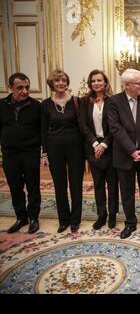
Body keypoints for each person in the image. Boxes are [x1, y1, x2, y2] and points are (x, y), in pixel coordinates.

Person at [108, 69, 140, 239]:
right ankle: (130, 223)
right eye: (139, 83)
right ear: (127, 85)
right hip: (124, 155)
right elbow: (116, 128)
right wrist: (132, 151)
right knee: (127, 191)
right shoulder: (114, 102)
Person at [41, 70, 85, 233]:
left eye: (63, 80)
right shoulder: (45, 104)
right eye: (57, 81)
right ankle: (63, 220)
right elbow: (43, 130)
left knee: (75, 183)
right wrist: (44, 153)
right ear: (52, 84)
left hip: (75, 147)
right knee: (59, 185)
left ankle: (75, 220)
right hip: (54, 148)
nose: (60, 83)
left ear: (67, 82)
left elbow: (83, 126)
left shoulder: (76, 101)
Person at [0, 73, 41, 234]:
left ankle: (33, 218)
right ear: (10, 88)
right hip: (10, 154)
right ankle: (20, 217)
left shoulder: (36, 106)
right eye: (20, 88)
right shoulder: (1, 105)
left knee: (33, 186)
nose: (24, 91)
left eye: (27, 87)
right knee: (15, 187)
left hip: (30, 152)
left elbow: (41, 130)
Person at [79, 70, 118, 230]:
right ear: (90, 83)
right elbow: (83, 125)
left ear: (105, 82)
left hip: (110, 147)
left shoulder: (113, 101)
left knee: (112, 184)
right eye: (93, 81)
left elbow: (115, 125)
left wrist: (104, 144)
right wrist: (95, 144)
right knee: (98, 184)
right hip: (93, 148)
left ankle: (113, 215)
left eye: (99, 80)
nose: (96, 83)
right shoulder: (84, 101)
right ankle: (102, 215)